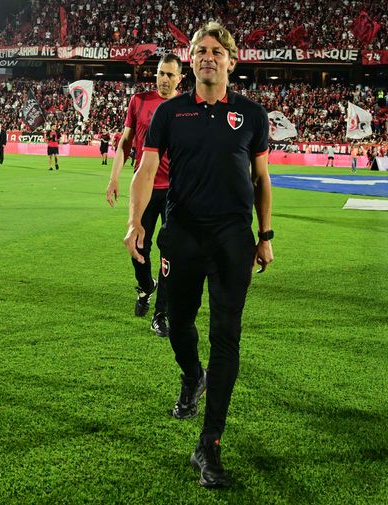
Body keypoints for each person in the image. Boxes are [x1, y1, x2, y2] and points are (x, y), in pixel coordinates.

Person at [125, 21, 273, 488]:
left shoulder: (252, 114)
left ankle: (209, 444)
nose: (209, 56)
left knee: (226, 337)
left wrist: (265, 235)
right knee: (180, 324)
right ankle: (193, 376)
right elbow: (146, 169)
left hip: (233, 240)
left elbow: (262, 179)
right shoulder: (171, 113)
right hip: (183, 236)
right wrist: (134, 222)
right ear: (191, 60)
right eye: (201, 50)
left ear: (232, 61)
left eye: (217, 50)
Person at [107, 53, 183, 337]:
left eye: (170, 75)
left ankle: (161, 314)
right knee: (138, 247)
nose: (164, 79)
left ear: (179, 79)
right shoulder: (139, 101)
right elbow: (126, 142)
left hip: (175, 191)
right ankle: (145, 286)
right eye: (161, 73)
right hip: (145, 188)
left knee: (170, 253)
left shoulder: (186, 107)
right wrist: (114, 177)